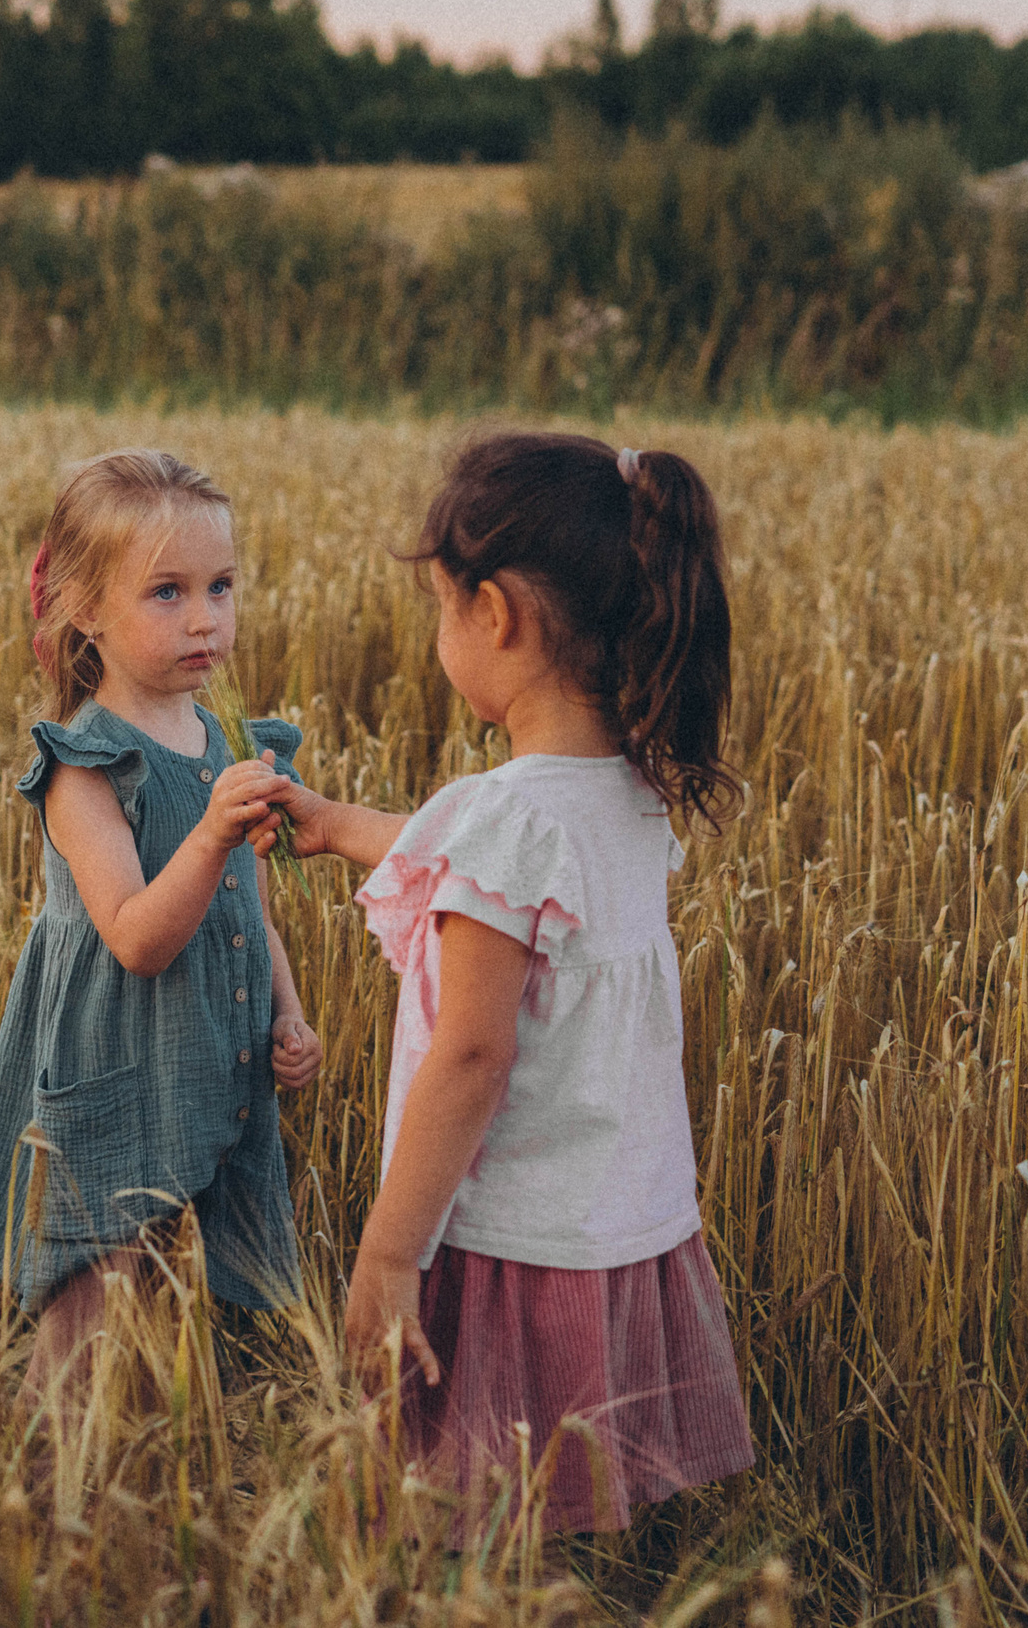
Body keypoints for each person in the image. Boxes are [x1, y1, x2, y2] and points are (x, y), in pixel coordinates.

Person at [280, 431, 756, 1535]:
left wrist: (392, 1251)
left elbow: (472, 1055)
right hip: (614, 1226)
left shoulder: (502, 817)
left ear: (494, 614)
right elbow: (492, 879)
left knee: (477, 1518)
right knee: (572, 1513)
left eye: (443, 608)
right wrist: (338, 825)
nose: (441, 633)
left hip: (504, 1239)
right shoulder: (628, 796)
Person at [0, 447, 326, 1394]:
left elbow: (253, 913)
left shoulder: (230, 741)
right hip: (115, 1058)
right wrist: (209, 831)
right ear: (84, 607)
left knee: (170, 1282)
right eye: (167, 592)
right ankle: (56, 1498)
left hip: (207, 1051)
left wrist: (287, 1013)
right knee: (99, 1289)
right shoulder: (86, 766)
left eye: (221, 586)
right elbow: (135, 933)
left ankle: (144, 1484)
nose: (205, 618)